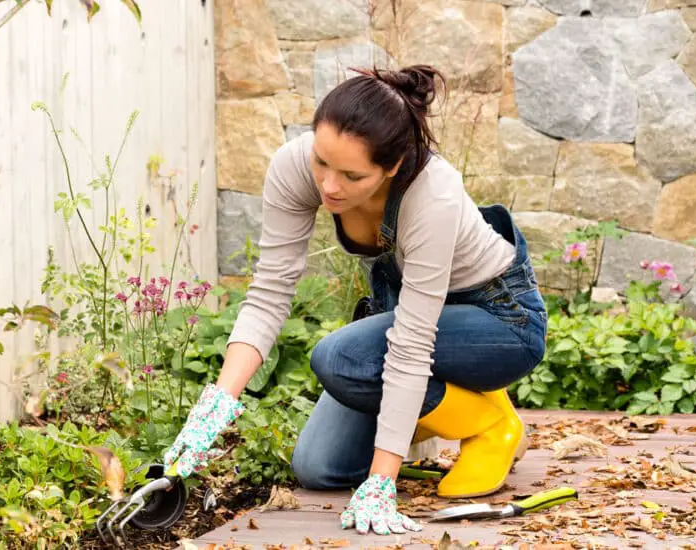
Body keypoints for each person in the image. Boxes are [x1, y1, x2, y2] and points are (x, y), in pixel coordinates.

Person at [162, 64, 548, 536]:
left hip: (500, 322)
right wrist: (217, 404)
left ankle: (490, 424)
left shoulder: (433, 193)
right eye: (321, 161)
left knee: (342, 358)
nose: (329, 185)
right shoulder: (294, 166)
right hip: (414, 319)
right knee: (319, 468)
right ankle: (458, 404)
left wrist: (381, 483)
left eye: (351, 175)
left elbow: (410, 344)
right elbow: (269, 293)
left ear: (394, 166)